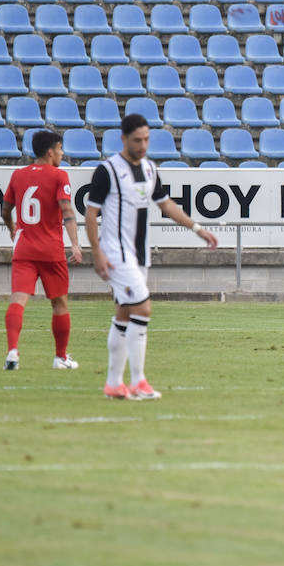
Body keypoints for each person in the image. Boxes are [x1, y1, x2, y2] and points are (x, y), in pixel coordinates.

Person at [85, 114, 218, 400]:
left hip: (139, 254)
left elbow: (165, 204)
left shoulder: (149, 169)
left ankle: (113, 384)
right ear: (124, 139)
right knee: (143, 309)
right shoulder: (107, 170)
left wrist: (196, 228)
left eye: (146, 139)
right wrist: (96, 252)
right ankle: (138, 382)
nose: (143, 145)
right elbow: (91, 214)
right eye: (137, 140)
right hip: (116, 254)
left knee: (124, 314)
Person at [1, 130, 82, 371]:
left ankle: (12, 351)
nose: (62, 153)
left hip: (24, 248)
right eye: (60, 149)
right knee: (59, 304)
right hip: (51, 250)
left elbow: (5, 211)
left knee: (18, 299)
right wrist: (75, 244)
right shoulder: (59, 176)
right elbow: (67, 211)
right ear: (50, 151)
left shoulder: (18, 175)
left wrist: (12, 229)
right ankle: (60, 358)